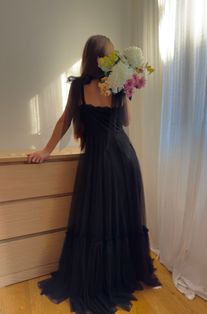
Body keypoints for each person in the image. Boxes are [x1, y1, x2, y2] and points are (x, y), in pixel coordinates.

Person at [26, 34, 162, 314]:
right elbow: (126, 121)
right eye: (111, 54)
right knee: (121, 219)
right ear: (108, 57)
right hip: (124, 158)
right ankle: (122, 274)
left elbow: (65, 121)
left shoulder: (79, 87)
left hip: (100, 161)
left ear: (87, 56)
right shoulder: (116, 83)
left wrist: (46, 150)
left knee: (98, 221)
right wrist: (125, 91)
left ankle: (99, 277)